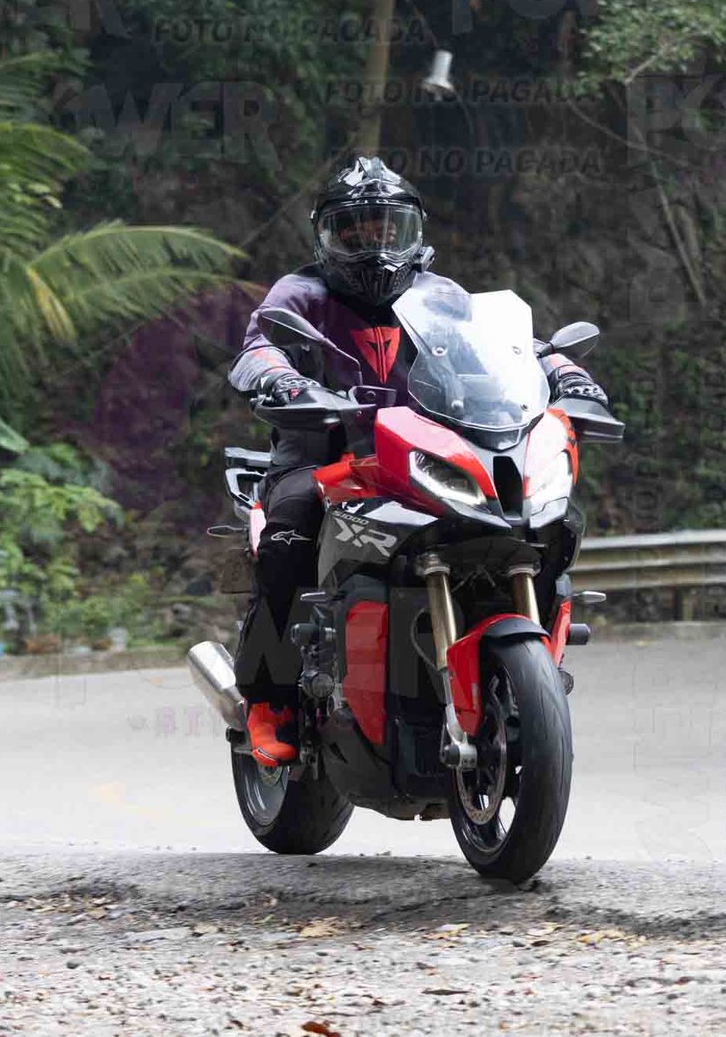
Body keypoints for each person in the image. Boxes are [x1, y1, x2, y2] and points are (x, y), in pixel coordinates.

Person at [227, 156, 609, 767]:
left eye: (388, 229)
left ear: (414, 232)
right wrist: (280, 380)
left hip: (427, 457)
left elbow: (515, 349)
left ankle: (521, 664)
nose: (374, 246)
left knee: (546, 518)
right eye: (354, 231)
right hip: (326, 456)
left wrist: (566, 373)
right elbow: (258, 348)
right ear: (325, 236)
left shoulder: (441, 296)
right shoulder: (300, 294)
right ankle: (268, 699)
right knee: (289, 533)